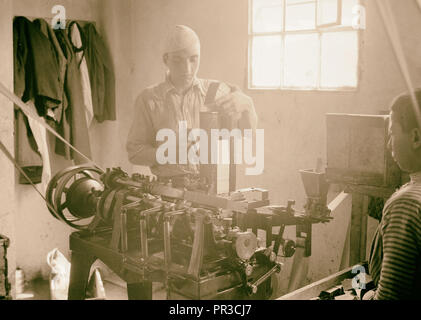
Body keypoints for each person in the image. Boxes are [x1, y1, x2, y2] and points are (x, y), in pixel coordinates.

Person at [126, 25, 257, 181]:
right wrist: (167, 153)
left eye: (193, 59)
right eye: (178, 60)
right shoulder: (149, 98)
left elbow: (248, 134)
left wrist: (248, 105)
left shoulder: (216, 92)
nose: (187, 69)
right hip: (168, 193)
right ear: (165, 60)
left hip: (213, 188)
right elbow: (134, 153)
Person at [367, 90, 421, 300]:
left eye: (392, 134)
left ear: (415, 137)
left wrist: (369, 297)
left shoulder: (406, 204)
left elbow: (390, 297)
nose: (389, 145)